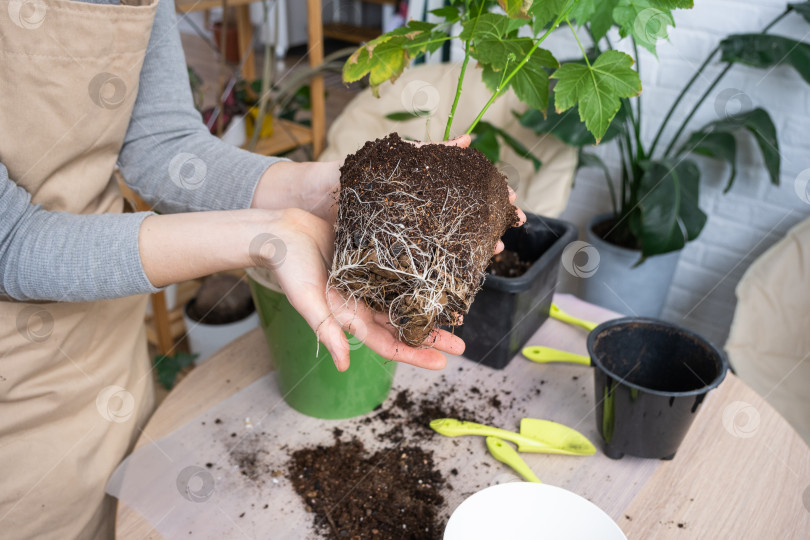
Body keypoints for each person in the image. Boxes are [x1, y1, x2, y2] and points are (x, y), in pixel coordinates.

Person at [0, 0, 524, 538]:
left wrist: (323, 190)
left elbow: (163, 146)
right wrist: (270, 235)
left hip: (107, 345)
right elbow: (10, 242)